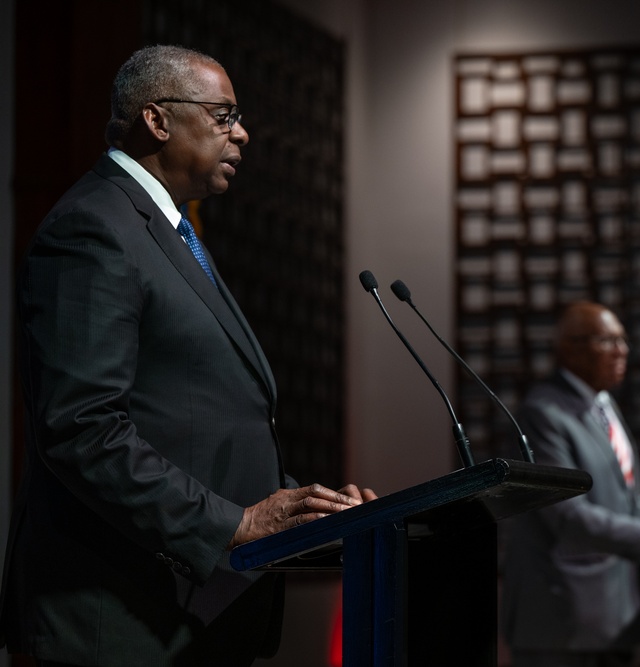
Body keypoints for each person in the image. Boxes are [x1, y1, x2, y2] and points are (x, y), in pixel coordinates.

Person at [0, 45, 374, 667]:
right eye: (225, 115)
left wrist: (307, 509)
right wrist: (230, 525)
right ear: (158, 119)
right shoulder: (93, 229)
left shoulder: (167, 230)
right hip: (118, 622)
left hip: (187, 620)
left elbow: (189, 421)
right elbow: (80, 429)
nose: (243, 133)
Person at [501, 301, 640, 667]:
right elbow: (566, 516)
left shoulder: (604, 406)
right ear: (569, 348)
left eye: (623, 340)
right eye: (607, 340)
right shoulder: (543, 412)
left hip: (613, 617)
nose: (622, 350)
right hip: (562, 621)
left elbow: (627, 502)